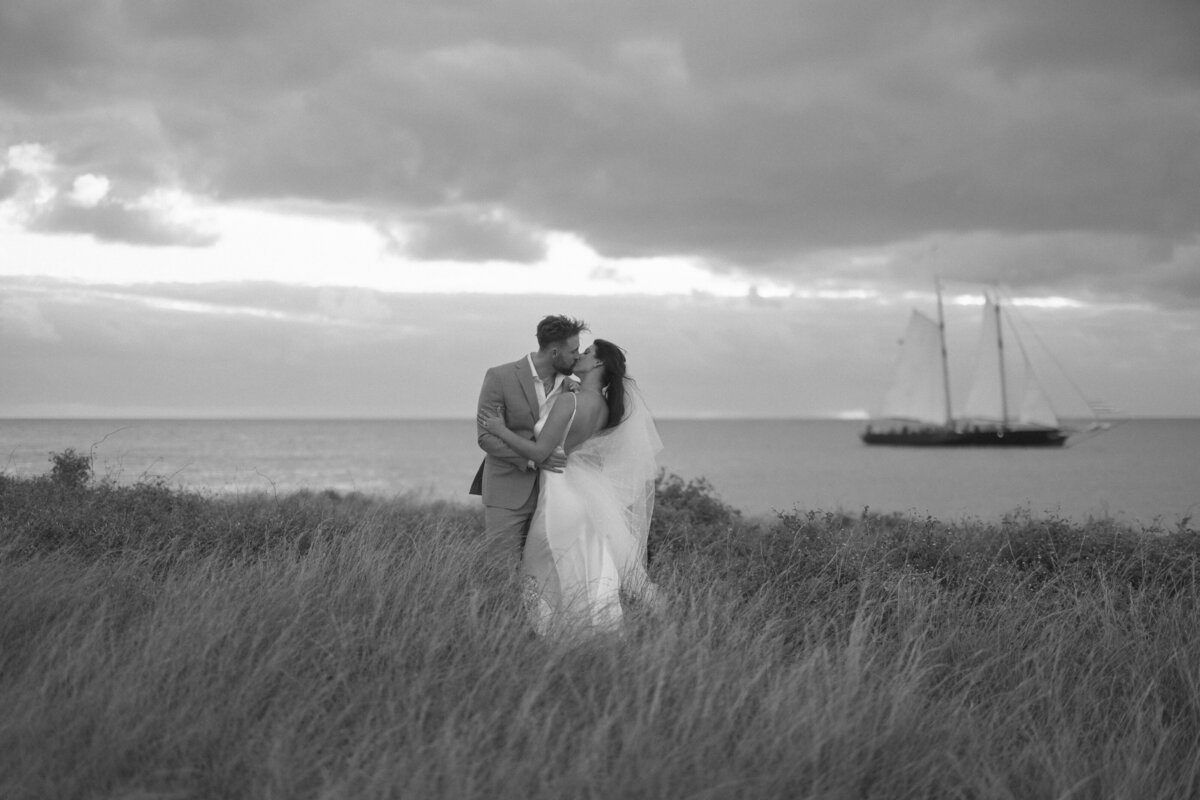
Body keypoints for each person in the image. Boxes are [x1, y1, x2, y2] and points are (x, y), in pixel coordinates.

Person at [478, 339, 663, 636]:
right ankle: (593, 633)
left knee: (539, 571)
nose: (580, 355)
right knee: (580, 569)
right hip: (581, 493)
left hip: (560, 493)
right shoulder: (603, 407)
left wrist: (500, 430)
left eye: (587, 353)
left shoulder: (570, 401)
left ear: (598, 364)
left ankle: (552, 637)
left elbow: (539, 453)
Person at [470, 315, 588, 564]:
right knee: (501, 568)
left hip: (555, 493)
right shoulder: (499, 377)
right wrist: (535, 460)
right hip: (507, 491)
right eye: (574, 350)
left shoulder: (572, 386)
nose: (578, 356)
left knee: (544, 569)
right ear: (555, 352)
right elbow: (486, 437)